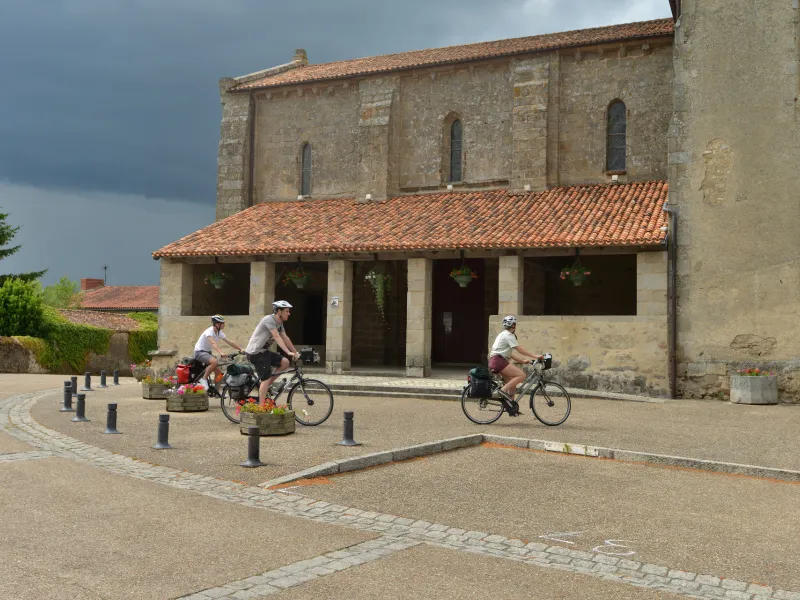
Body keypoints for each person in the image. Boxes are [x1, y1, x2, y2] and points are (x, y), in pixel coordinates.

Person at [245, 300, 301, 403]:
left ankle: (266, 386)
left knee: (285, 362)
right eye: (287, 311)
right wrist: (288, 352)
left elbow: (285, 338)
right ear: (279, 311)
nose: (289, 313)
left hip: (263, 351)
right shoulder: (269, 319)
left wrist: (295, 352)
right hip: (255, 353)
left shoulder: (279, 323)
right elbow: (276, 336)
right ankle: (261, 408)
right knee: (265, 378)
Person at [488, 315, 543, 400]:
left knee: (511, 383)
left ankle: (511, 407)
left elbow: (511, 355)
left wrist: (523, 361)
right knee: (522, 375)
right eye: (515, 324)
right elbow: (519, 349)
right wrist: (535, 356)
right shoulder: (509, 335)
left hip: (494, 361)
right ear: (513, 325)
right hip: (499, 361)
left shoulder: (502, 334)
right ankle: (502, 390)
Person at [193, 315, 244, 388]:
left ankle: (217, 392)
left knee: (219, 374)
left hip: (207, 353)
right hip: (199, 352)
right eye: (222, 323)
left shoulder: (219, 332)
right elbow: (213, 343)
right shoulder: (209, 332)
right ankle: (203, 379)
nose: (224, 325)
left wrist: (240, 349)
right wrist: (221, 352)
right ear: (217, 324)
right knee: (214, 362)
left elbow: (229, 342)